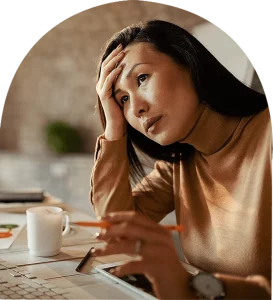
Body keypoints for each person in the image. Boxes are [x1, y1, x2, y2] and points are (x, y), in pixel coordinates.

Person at [89, 19, 272, 299]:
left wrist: (192, 288)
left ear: (188, 61)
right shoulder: (179, 165)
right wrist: (113, 128)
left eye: (142, 79)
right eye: (122, 99)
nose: (136, 107)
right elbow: (117, 232)